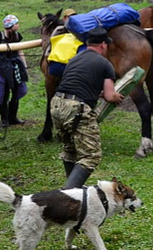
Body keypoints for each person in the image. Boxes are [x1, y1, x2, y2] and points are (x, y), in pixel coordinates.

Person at [51, 27, 124, 188]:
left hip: (56, 104)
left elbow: (76, 82)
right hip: (76, 108)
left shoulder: (75, 59)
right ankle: (68, 193)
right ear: (103, 45)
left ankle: (73, 189)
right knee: (91, 155)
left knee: (70, 149)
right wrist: (117, 96)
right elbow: (110, 95)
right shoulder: (105, 64)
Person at [0, 15, 29, 126]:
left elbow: (20, 51)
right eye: (16, 23)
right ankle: (4, 120)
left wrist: (25, 67)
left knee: (16, 93)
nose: (18, 25)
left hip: (15, 68)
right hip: (3, 70)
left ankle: (13, 117)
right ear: (10, 25)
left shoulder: (17, 36)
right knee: (4, 94)